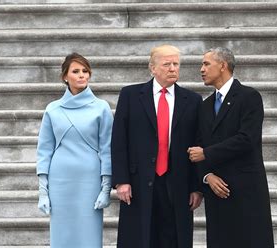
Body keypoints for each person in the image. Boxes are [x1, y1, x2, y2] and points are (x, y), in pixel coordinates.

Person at [111, 44, 203, 248]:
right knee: (140, 238)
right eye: (167, 64)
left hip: (177, 182)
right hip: (138, 181)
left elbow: (198, 143)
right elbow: (119, 140)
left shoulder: (193, 100)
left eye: (176, 64)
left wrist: (196, 187)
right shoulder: (130, 95)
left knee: (174, 238)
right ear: (152, 68)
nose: (173, 69)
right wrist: (121, 181)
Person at [188, 47, 274, 248]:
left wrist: (207, 154)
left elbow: (247, 139)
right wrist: (207, 176)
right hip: (217, 190)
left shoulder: (249, 97)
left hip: (246, 188)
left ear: (223, 65)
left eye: (206, 64)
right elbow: (198, 144)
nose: (201, 69)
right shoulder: (205, 105)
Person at [36, 53, 113, 247]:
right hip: (60, 180)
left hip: (89, 179)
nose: (82, 75)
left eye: (85, 71)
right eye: (76, 71)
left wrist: (106, 187)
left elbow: (107, 149)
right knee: (62, 236)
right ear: (65, 77)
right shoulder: (53, 109)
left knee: (89, 236)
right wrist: (43, 191)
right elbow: (44, 150)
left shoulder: (101, 107)